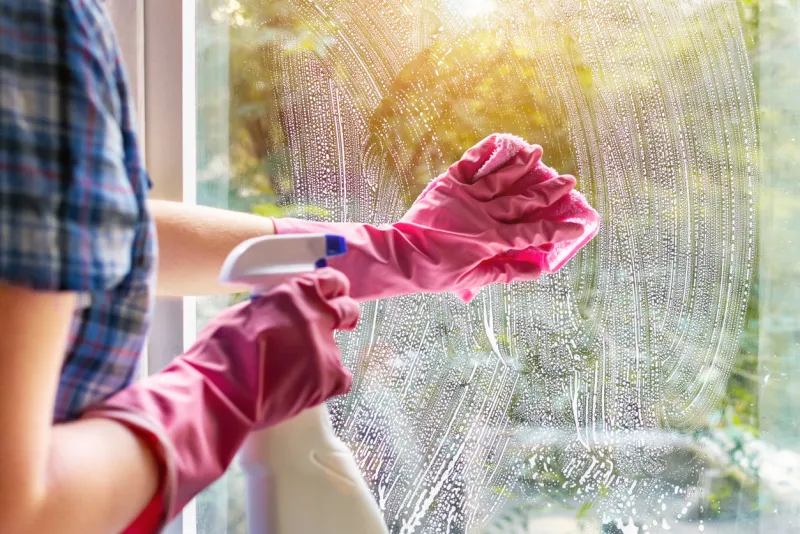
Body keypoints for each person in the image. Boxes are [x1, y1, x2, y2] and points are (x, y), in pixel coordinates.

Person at [0, 2, 596, 533]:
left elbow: (87, 236)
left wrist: (394, 252)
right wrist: (229, 382)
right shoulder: (35, 26)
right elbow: (18, 511)